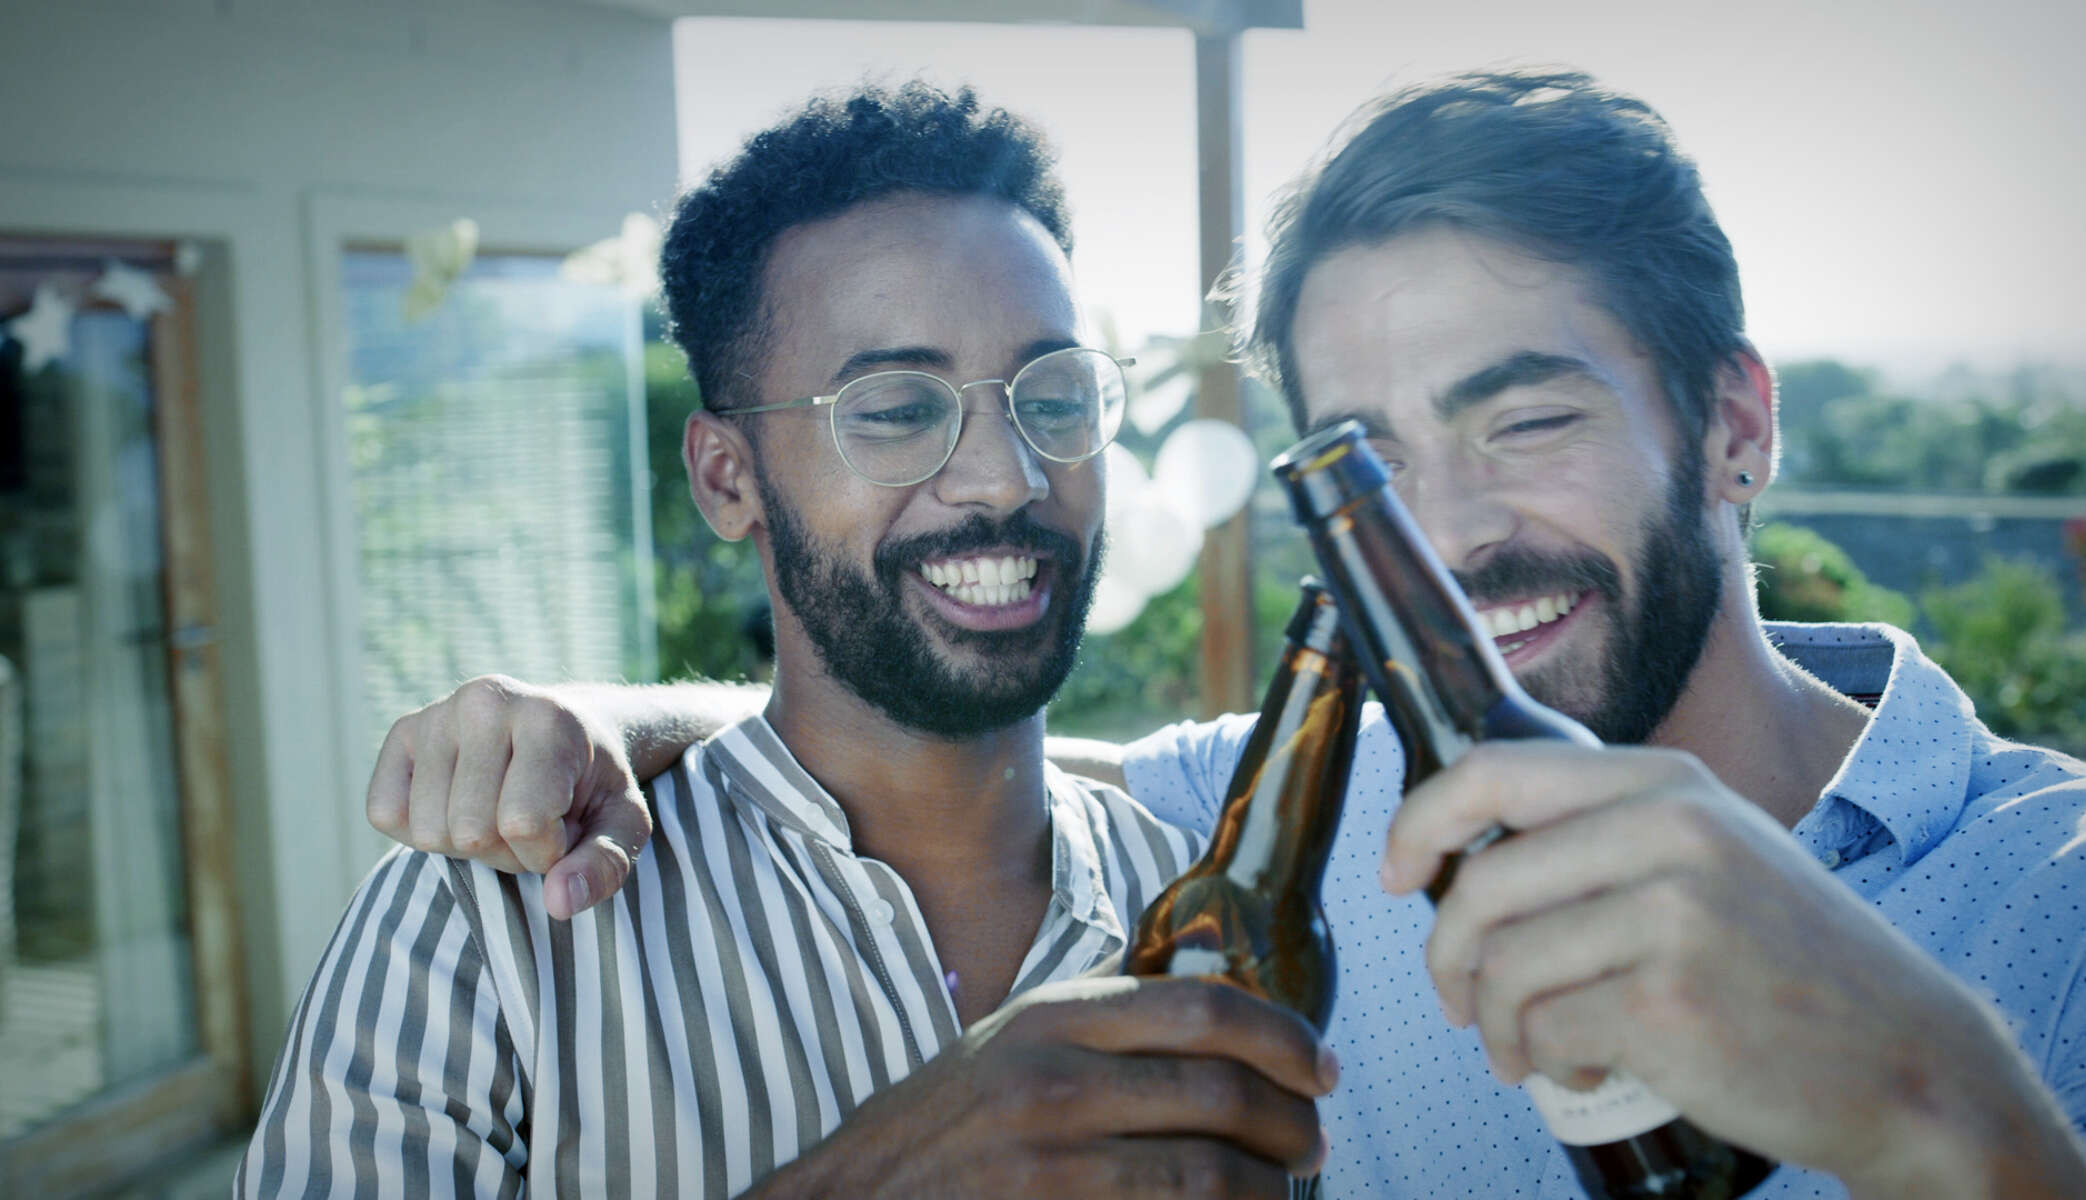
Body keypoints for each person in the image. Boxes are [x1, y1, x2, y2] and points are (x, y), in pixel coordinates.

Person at [370, 71, 2086, 1196]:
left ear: (1734, 428)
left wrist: (1941, 1102)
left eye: (1525, 421)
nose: (1440, 546)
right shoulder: (1279, 817)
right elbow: (937, 740)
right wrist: (592, 726)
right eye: (1367, 461)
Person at [241, 82, 1339, 1199]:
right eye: (898, 410)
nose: (1008, 475)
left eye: (1052, 396)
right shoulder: (486, 923)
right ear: (728, 478)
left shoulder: (1205, 900)